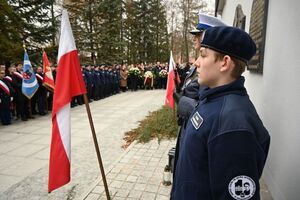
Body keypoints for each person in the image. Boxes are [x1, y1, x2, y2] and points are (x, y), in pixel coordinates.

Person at [171, 26, 270, 200]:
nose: (196, 62)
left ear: (224, 63)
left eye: (203, 55)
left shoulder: (234, 125)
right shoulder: (212, 98)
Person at [171, 13, 227, 177]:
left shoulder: (212, 70)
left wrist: (191, 107)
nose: (194, 39)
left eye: (198, 35)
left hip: (196, 123)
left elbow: (209, 102)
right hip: (188, 123)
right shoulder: (198, 65)